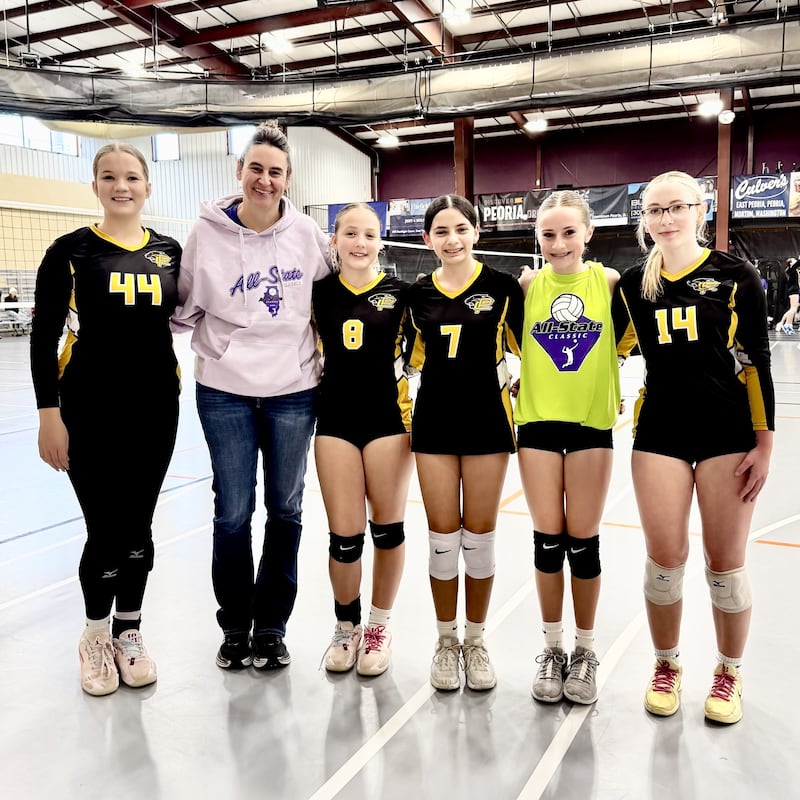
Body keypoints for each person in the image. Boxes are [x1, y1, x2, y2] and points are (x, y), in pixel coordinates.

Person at [612, 170, 774, 724]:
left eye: (675, 207)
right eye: (654, 210)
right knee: (664, 563)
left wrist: (765, 442)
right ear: (644, 219)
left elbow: (756, 359)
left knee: (726, 567)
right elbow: (596, 346)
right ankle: (667, 665)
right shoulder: (633, 285)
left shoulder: (736, 276)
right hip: (660, 432)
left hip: (728, 434)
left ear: (699, 211)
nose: (665, 219)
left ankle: (728, 673)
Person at [171, 121, 331, 672]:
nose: (265, 179)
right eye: (256, 168)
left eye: (276, 172)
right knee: (233, 512)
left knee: (285, 508)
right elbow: (181, 307)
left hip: (292, 390)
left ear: (288, 180)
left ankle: (272, 628)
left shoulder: (308, 233)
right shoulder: (205, 233)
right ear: (239, 172)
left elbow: (335, 293)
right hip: (224, 391)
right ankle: (236, 626)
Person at [30, 143, 182, 696]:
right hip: (88, 412)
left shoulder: (169, 251)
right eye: (109, 177)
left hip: (156, 410)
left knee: (139, 527)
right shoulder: (69, 253)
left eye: (132, 177)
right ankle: (95, 635)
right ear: (95, 185)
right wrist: (50, 413)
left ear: (148, 186)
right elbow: (43, 339)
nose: (122, 186)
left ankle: (129, 630)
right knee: (106, 529)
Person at [406, 194, 523, 691]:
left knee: (478, 539)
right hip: (433, 422)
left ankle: (475, 641)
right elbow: (406, 358)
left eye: (460, 228)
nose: (451, 239)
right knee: (441, 540)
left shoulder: (503, 287)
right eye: (441, 231)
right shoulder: (416, 295)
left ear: (477, 232)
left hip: (487, 423)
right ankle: (445, 640)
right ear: (428, 239)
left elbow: (534, 349)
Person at [513, 190, 620, 705]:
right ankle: (552, 648)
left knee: (584, 541)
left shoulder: (609, 281)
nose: (558, 243)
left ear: (588, 234)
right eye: (548, 234)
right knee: (547, 540)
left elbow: (627, 340)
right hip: (536, 423)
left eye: (568, 232)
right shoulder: (529, 286)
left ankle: (585, 650)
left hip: (589, 425)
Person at [313, 203, 413, 677]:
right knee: (345, 538)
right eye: (350, 233)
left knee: (388, 530)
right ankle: (345, 626)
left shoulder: (401, 294)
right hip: (334, 420)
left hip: (388, 421)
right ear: (334, 239)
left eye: (369, 235)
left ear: (381, 241)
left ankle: (378, 625)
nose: (359, 243)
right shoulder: (317, 294)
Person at [775, 257, 799, 333]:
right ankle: (781, 323)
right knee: (793, 309)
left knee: (794, 308)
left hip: (794, 291)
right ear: (791, 263)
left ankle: (788, 324)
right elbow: (798, 263)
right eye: (794, 260)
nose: (795, 261)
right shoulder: (791, 270)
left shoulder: (792, 270)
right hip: (793, 291)